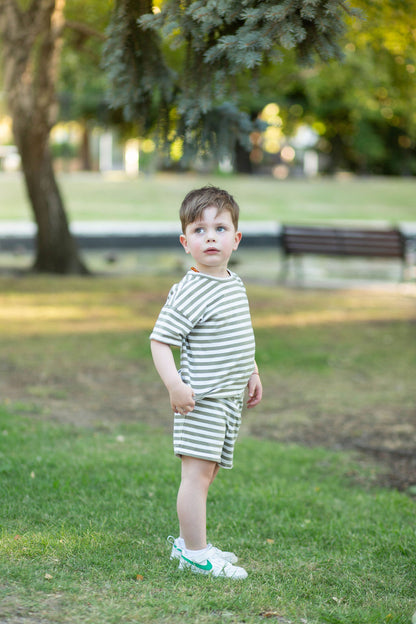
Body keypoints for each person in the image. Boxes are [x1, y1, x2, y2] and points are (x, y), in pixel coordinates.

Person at [150, 185, 263, 579]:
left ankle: (188, 543)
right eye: (199, 230)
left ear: (236, 238)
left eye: (220, 228)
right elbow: (160, 341)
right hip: (202, 400)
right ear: (186, 242)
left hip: (228, 399)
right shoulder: (191, 291)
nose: (210, 237)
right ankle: (195, 553)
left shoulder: (232, 282)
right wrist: (174, 385)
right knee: (196, 476)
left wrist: (251, 370)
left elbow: (237, 334)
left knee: (208, 472)